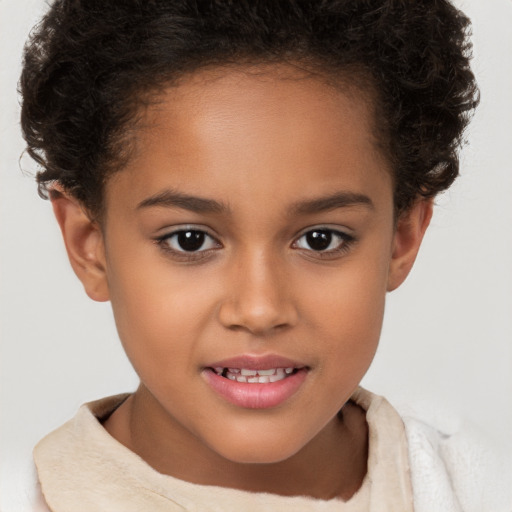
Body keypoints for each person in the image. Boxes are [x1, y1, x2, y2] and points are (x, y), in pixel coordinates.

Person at [15, 0, 510, 510]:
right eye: (190, 239)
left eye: (321, 239)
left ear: (401, 238)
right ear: (88, 244)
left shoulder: (483, 491)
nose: (259, 309)